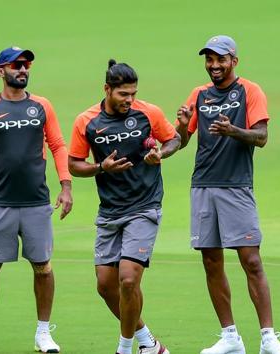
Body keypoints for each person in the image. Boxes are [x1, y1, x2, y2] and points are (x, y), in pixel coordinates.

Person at [175, 35, 280, 354]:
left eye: (220, 59)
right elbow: (180, 140)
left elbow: (262, 137)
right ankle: (230, 338)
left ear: (234, 61)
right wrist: (172, 138)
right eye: (209, 59)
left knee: (251, 260)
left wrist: (233, 131)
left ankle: (268, 338)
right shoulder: (198, 94)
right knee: (211, 261)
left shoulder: (249, 91)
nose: (214, 65)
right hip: (202, 185)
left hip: (236, 186)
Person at [0, 46, 73, 354]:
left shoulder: (42, 106)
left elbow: (59, 146)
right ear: (1, 71)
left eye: (26, 65)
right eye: (16, 65)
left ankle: (43, 333)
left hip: (37, 202)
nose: (23, 69)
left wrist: (66, 187)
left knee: (43, 268)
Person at [68, 59, 180, 354]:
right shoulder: (87, 121)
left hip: (145, 205)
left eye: (133, 94)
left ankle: (124, 347)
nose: (129, 100)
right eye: (123, 94)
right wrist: (100, 167)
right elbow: (74, 164)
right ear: (107, 89)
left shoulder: (148, 112)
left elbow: (174, 139)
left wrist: (161, 153)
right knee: (106, 285)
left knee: (128, 279)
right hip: (110, 211)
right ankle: (149, 343)